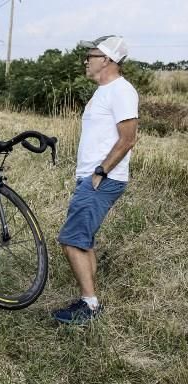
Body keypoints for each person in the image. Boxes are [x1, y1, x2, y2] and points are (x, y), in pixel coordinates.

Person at [52, 36, 138, 325]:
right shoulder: (103, 91)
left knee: (71, 239)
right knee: (83, 240)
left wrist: (100, 172)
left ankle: (89, 305)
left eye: (90, 55)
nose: (85, 60)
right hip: (91, 177)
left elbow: (128, 140)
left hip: (103, 178)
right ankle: (89, 300)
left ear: (108, 60)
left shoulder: (121, 91)